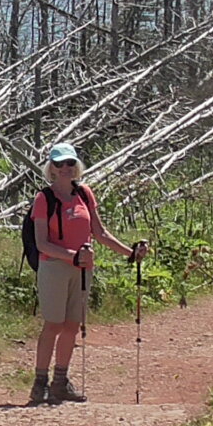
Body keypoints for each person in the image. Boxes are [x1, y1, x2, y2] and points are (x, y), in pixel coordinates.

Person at [28, 143, 148, 405]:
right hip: (54, 267)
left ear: (76, 166)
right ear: (51, 168)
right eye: (59, 164)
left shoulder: (84, 194)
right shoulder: (43, 199)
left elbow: (100, 233)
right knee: (53, 324)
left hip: (83, 268)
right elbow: (42, 244)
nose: (66, 168)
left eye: (70, 163)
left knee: (72, 325)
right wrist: (72, 255)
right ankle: (40, 383)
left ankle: (60, 382)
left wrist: (130, 253)